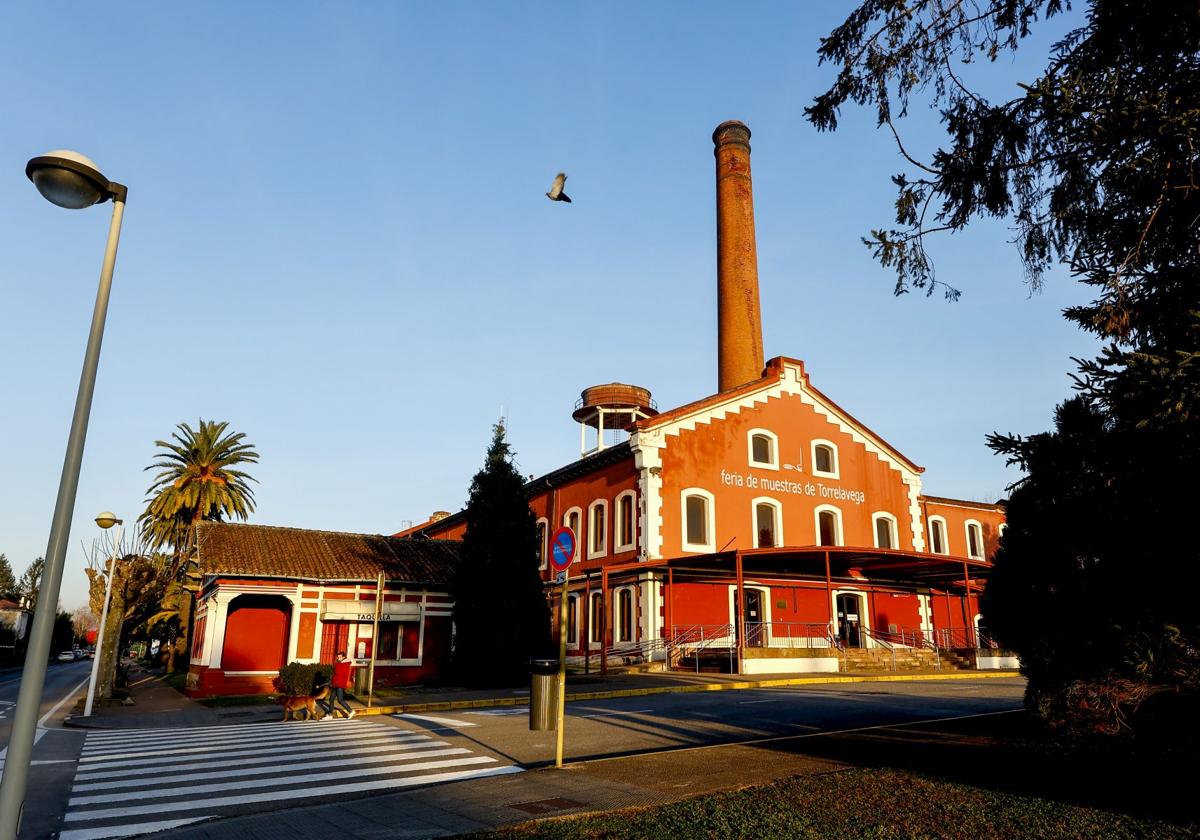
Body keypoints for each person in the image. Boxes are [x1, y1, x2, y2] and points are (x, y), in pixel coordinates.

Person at [321, 652, 356, 719]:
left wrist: (334, 679)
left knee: (340, 700)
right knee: (331, 699)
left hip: (339, 684)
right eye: (338, 657)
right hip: (336, 684)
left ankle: (351, 711)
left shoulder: (344, 664)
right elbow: (335, 674)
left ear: (343, 657)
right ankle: (330, 715)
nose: (338, 658)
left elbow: (338, 673)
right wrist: (332, 681)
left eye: (340, 657)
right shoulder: (339, 664)